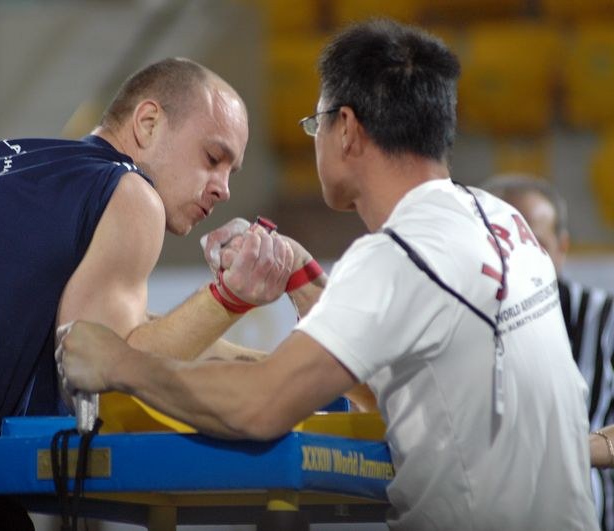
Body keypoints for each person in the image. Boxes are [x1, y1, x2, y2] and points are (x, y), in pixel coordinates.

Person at [57, 19, 599, 530]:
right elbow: (379, 374)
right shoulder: (502, 220)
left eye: (315, 122)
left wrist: (119, 361)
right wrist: (296, 269)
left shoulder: (398, 254)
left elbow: (260, 406)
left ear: (345, 128)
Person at [0, 57, 309, 531]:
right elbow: (107, 370)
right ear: (149, 123)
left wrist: (264, 368)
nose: (222, 188)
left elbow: (118, 332)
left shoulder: (19, 159)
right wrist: (231, 298)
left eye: (232, 171)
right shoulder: (131, 194)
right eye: (212, 157)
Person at [482, 173, 614, 530]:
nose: (517, 257)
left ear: (562, 246)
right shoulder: (461, 319)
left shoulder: (604, 319)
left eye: (535, 243)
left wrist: (568, 451)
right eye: (502, 242)